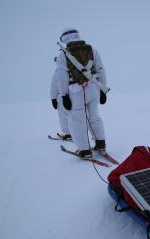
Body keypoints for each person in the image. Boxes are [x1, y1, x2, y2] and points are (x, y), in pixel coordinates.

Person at [56, 28, 108, 159]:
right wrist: (103, 89)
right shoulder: (92, 50)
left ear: (64, 39)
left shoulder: (63, 54)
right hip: (94, 88)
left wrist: (63, 95)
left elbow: (61, 76)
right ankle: (100, 143)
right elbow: (101, 70)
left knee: (78, 120)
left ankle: (85, 150)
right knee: (94, 117)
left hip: (75, 92)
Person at [50, 56, 72, 140]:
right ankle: (76, 132)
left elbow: (54, 86)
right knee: (74, 115)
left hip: (62, 97)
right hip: (74, 95)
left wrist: (53, 99)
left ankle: (68, 133)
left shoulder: (58, 72)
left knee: (64, 116)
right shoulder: (72, 70)